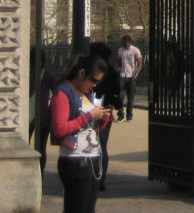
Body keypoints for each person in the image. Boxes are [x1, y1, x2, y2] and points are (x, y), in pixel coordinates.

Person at [50, 54, 115, 213]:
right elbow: (60, 128)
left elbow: (90, 127)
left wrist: (102, 119)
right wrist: (89, 116)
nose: (94, 85)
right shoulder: (63, 93)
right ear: (81, 73)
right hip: (75, 160)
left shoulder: (86, 95)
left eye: (98, 81)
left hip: (91, 159)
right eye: (93, 80)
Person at [89, 42, 121, 190]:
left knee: (91, 144)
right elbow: (117, 91)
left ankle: (93, 175)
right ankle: (101, 177)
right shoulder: (112, 72)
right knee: (102, 145)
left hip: (91, 109)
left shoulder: (92, 69)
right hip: (107, 110)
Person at [116, 35, 143, 122]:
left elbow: (139, 63)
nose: (124, 45)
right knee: (120, 96)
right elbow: (119, 61)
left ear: (129, 43)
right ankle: (120, 115)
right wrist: (118, 68)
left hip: (131, 76)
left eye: (125, 43)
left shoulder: (135, 50)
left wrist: (136, 73)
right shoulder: (121, 50)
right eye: (123, 43)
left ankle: (129, 115)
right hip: (122, 75)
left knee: (130, 97)